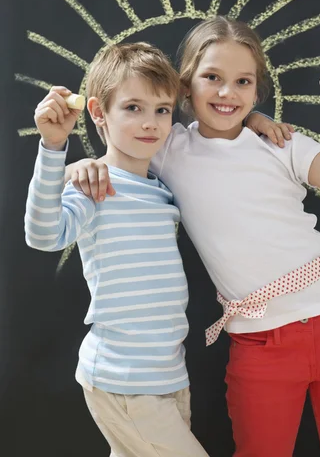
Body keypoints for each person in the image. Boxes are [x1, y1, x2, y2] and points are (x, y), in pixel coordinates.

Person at [67, 17, 320, 457]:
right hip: (260, 343)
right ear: (185, 87)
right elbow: (120, 149)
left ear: (257, 90)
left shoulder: (282, 144)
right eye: (211, 78)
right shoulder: (169, 147)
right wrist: (76, 167)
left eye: (242, 82)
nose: (226, 92)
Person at [24, 42, 211, 457]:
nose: (151, 123)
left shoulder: (162, 189)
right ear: (97, 112)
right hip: (125, 379)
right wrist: (55, 150)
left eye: (162, 109)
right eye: (133, 108)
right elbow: (43, 235)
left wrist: (255, 119)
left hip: (167, 375)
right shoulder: (95, 185)